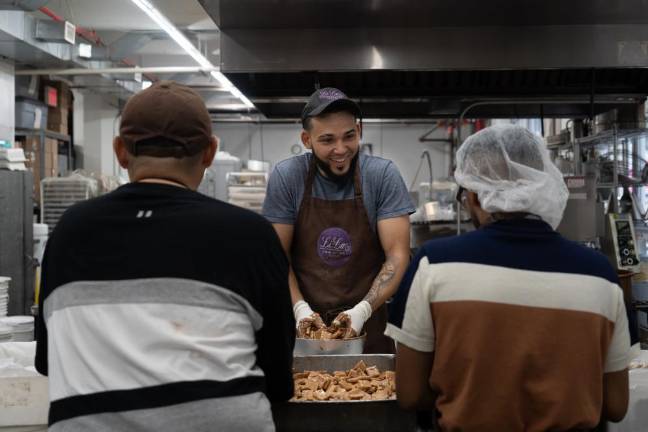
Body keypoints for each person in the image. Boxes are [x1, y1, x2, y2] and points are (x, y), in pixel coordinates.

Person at [34, 81, 294, 432]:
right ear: (209, 153)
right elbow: (278, 379)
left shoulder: (68, 232)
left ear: (120, 151)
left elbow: (49, 362)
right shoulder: (249, 235)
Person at [386, 124, 639, 431]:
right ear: (542, 182)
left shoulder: (432, 264)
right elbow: (615, 405)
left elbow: (411, 395)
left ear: (475, 197)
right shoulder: (602, 275)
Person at [262, 87, 415, 353]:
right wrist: (300, 309)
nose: (340, 149)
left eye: (349, 136)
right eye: (327, 140)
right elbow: (277, 256)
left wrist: (363, 310)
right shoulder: (288, 177)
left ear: (360, 131)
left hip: (369, 328)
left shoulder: (381, 176)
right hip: (304, 331)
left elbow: (397, 255)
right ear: (306, 139)